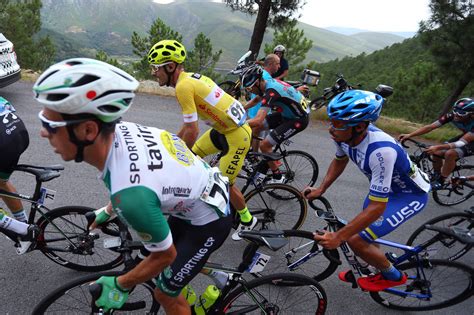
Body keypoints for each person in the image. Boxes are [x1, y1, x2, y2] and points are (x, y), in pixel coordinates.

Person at [33, 58, 233, 314]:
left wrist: (121, 283)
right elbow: (145, 176)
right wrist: (108, 210)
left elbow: (165, 254)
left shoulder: (130, 196)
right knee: (158, 264)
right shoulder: (123, 129)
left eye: (50, 125)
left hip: (210, 219)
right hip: (198, 197)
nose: (43, 132)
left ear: (88, 130)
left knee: (164, 293)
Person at [304, 90, 431, 292]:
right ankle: (370, 268)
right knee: (363, 237)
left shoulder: (381, 150)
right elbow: (340, 160)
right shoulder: (344, 136)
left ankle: (393, 275)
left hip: (409, 196)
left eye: (337, 124)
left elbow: (377, 207)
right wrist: (321, 188)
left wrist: (338, 237)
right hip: (384, 192)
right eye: (331, 121)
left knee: (355, 238)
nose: (331, 129)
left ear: (360, 126)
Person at [147, 39, 255, 241]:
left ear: (170, 67)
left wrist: (177, 158)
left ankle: (248, 221)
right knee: (193, 154)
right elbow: (188, 127)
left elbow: (192, 130)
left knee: (224, 185)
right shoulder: (189, 79)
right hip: (222, 130)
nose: (153, 72)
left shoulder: (183, 87)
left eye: (156, 67)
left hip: (236, 136)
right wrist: (171, 145)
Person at [243, 64, 310, 183]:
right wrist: (240, 108)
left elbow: (258, 119)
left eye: (250, 87)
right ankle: (256, 157)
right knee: (256, 128)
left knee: (265, 145)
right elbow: (256, 99)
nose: (250, 90)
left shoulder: (271, 91)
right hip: (287, 114)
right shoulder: (266, 85)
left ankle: (277, 177)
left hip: (298, 120)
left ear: (258, 82)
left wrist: (238, 124)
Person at [398, 97, 473, 189]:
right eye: (455, 110)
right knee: (436, 152)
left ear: (472, 115)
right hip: (466, 136)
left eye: (461, 113)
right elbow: (430, 127)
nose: (456, 114)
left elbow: (460, 143)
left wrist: (438, 147)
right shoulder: (451, 116)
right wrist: (410, 135)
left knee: (450, 153)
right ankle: (436, 175)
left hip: (469, 141)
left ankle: (441, 181)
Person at [0, 96, 39, 255]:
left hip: (3, 139)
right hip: (18, 132)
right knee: (2, 182)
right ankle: (24, 221)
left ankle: (23, 230)